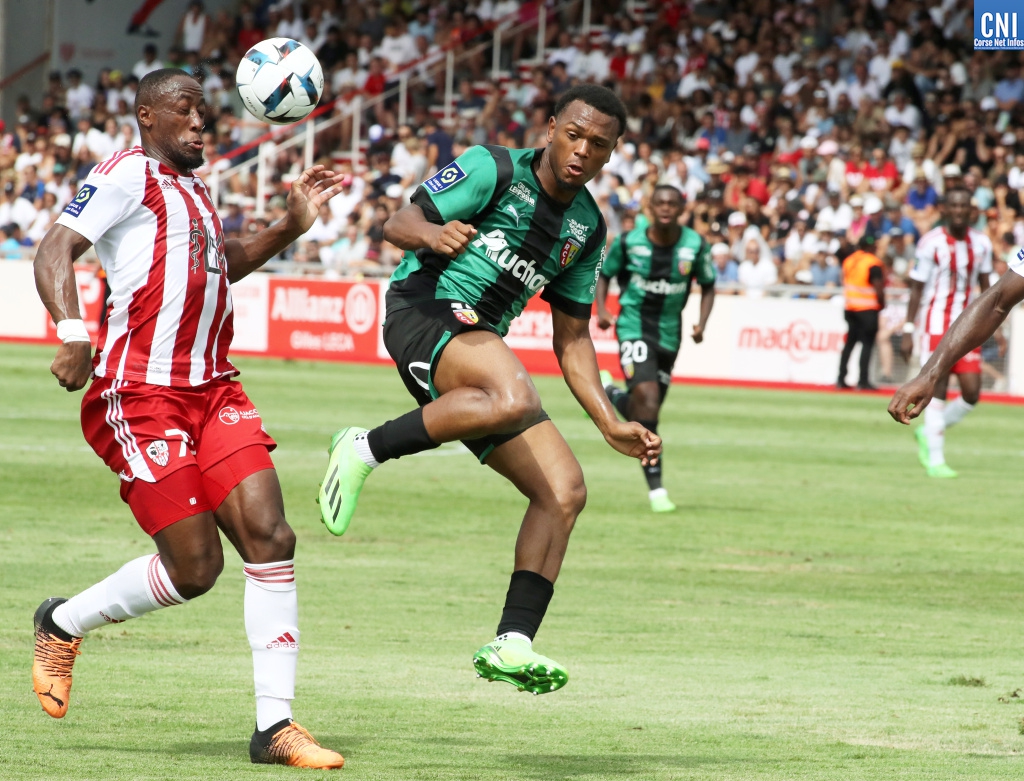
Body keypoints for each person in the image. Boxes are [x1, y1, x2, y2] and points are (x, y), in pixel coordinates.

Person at [31, 69, 346, 769]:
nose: (202, 121)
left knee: (272, 535)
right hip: (141, 394)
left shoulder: (196, 189)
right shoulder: (124, 174)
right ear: (147, 116)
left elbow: (221, 264)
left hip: (215, 391)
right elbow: (55, 248)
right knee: (196, 568)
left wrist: (289, 227)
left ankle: (275, 726)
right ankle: (63, 621)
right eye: (186, 109)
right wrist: (73, 332)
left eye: (205, 110)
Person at [316, 84, 660, 695]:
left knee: (564, 490)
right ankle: (364, 448)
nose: (582, 150)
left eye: (598, 144)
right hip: (423, 308)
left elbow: (573, 338)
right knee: (515, 395)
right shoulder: (492, 168)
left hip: (477, 346)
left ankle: (511, 642)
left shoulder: (587, 227)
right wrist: (432, 236)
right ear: (550, 128)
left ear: (613, 154)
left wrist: (609, 422)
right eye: (573, 134)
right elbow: (399, 221)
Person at [594, 185, 715, 513]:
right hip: (633, 326)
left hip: (670, 335)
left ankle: (609, 393)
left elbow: (708, 285)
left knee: (647, 411)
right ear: (650, 207)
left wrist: (702, 323)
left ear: (682, 208)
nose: (665, 208)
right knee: (647, 403)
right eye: (659, 202)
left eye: (672, 203)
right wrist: (602, 309)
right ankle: (657, 490)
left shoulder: (695, 245)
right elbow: (604, 274)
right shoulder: (629, 242)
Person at [898, 187, 993, 477]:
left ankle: (928, 433)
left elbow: (988, 288)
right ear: (946, 209)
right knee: (935, 389)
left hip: (969, 325)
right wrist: (908, 328)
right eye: (954, 205)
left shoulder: (981, 243)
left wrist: (996, 327)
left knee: (972, 393)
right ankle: (936, 460)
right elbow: (916, 288)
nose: (959, 210)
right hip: (936, 324)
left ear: (971, 211)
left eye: (964, 205)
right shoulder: (931, 242)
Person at [838, 233, 886, 390]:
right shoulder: (873, 262)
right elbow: (878, 286)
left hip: (850, 307)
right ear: (871, 246)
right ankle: (863, 380)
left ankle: (841, 378)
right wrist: (882, 303)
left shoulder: (849, 260)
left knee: (849, 344)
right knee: (867, 344)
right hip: (867, 309)